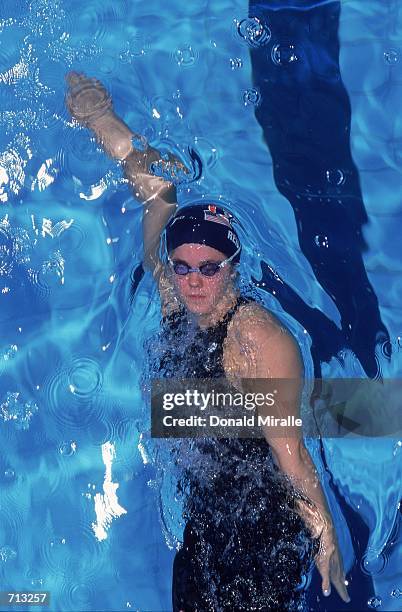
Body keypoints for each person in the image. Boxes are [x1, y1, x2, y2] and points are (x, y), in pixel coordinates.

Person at [65, 72, 351, 611]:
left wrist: (326, 540)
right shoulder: (176, 295)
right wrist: (99, 117)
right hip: (203, 510)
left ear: (234, 270)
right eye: (183, 266)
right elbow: (157, 193)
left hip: (260, 522)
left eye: (209, 268)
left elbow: (291, 458)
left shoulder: (259, 342)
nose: (193, 280)